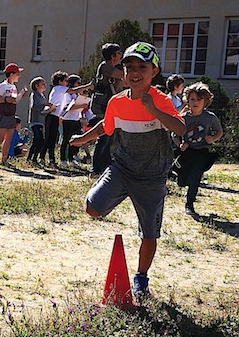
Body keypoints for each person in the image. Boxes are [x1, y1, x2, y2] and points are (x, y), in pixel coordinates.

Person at [69, 42, 186, 301]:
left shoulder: (161, 100)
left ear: (153, 71)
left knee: (149, 233)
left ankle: (141, 278)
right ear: (122, 71)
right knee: (92, 208)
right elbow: (105, 127)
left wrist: (153, 110)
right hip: (122, 167)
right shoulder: (116, 102)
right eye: (129, 66)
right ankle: (121, 194)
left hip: (152, 176)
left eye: (141, 67)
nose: (134, 72)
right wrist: (82, 138)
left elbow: (180, 129)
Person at [174, 82, 223, 215]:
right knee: (182, 181)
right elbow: (175, 135)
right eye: (192, 99)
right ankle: (181, 179)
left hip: (202, 152)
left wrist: (212, 138)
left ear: (206, 101)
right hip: (187, 152)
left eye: (199, 99)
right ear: (187, 101)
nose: (195, 102)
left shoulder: (210, 117)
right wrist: (180, 144)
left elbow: (219, 132)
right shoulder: (183, 118)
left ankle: (189, 204)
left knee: (196, 177)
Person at [91, 43, 125, 174]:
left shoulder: (113, 68)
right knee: (103, 137)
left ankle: (104, 166)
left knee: (110, 138)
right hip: (104, 106)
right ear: (113, 56)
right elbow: (122, 75)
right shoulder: (105, 66)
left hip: (112, 106)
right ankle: (96, 168)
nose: (121, 56)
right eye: (119, 53)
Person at [0, 63, 28, 167]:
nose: (19, 76)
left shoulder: (13, 86)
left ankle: (4, 159)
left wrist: (20, 96)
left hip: (11, 114)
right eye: (17, 74)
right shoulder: (3, 85)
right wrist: (6, 99)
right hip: (3, 114)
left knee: (8, 138)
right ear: (11, 74)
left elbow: (14, 101)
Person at [60, 74, 93, 166]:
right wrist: (82, 105)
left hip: (76, 119)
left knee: (75, 140)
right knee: (66, 140)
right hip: (68, 119)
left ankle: (72, 158)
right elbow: (69, 107)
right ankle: (63, 159)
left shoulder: (77, 95)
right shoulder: (68, 94)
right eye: (78, 83)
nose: (79, 84)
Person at [26, 76, 48, 165]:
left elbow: (43, 110)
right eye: (43, 84)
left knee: (37, 141)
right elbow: (34, 107)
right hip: (35, 121)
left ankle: (32, 158)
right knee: (39, 140)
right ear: (37, 85)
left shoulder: (42, 96)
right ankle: (32, 158)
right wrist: (44, 105)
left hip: (41, 121)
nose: (45, 85)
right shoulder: (34, 94)